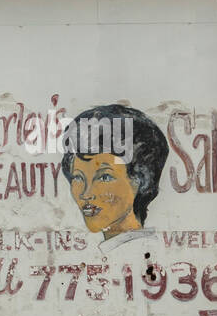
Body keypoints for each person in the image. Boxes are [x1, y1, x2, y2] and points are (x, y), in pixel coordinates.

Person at [59, 104, 169, 255]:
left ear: (141, 180)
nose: (86, 193)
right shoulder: (113, 252)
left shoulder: (141, 255)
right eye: (78, 177)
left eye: (104, 177)